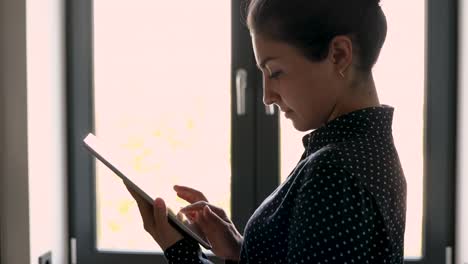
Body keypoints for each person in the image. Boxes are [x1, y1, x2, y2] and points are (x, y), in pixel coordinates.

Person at [126, 0, 407, 263]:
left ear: (339, 54)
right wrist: (242, 249)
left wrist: (181, 252)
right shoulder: (363, 150)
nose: (267, 96)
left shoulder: (335, 172)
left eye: (275, 72)